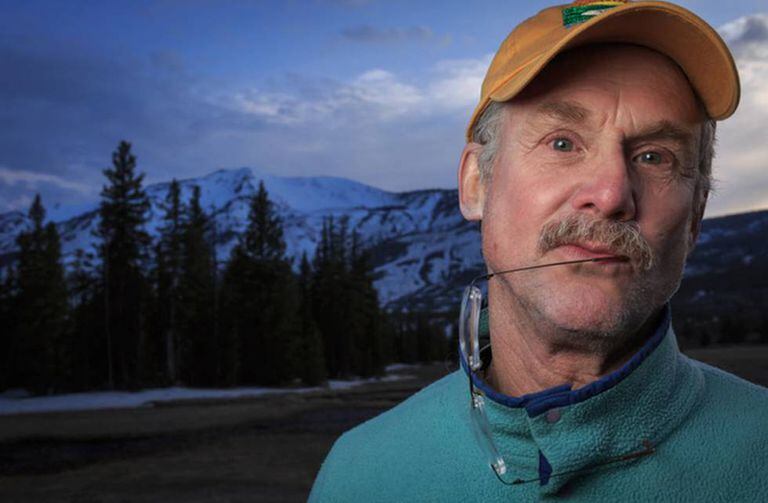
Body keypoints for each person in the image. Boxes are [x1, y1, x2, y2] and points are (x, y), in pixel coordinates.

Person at [309, 1, 768, 501]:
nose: (612, 194)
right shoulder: (360, 473)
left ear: (697, 215)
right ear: (475, 184)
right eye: (562, 144)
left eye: (654, 157)